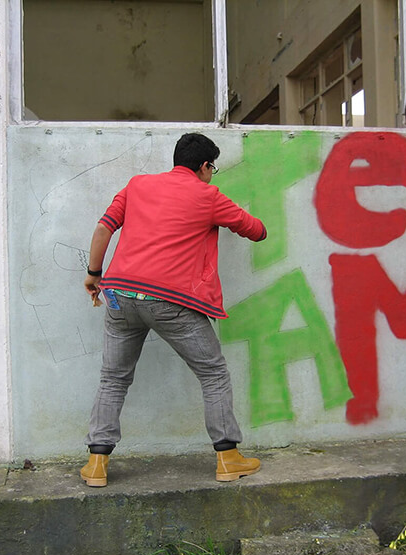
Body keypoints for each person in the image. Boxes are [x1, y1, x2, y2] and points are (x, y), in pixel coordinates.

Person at [81, 133, 267, 487]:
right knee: (213, 374)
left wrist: (94, 274)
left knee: (113, 378)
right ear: (205, 166)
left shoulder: (136, 185)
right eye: (212, 168)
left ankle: (96, 464)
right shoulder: (209, 196)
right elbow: (256, 230)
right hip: (170, 301)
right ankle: (228, 459)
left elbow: (104, 227)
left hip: (118, 295)